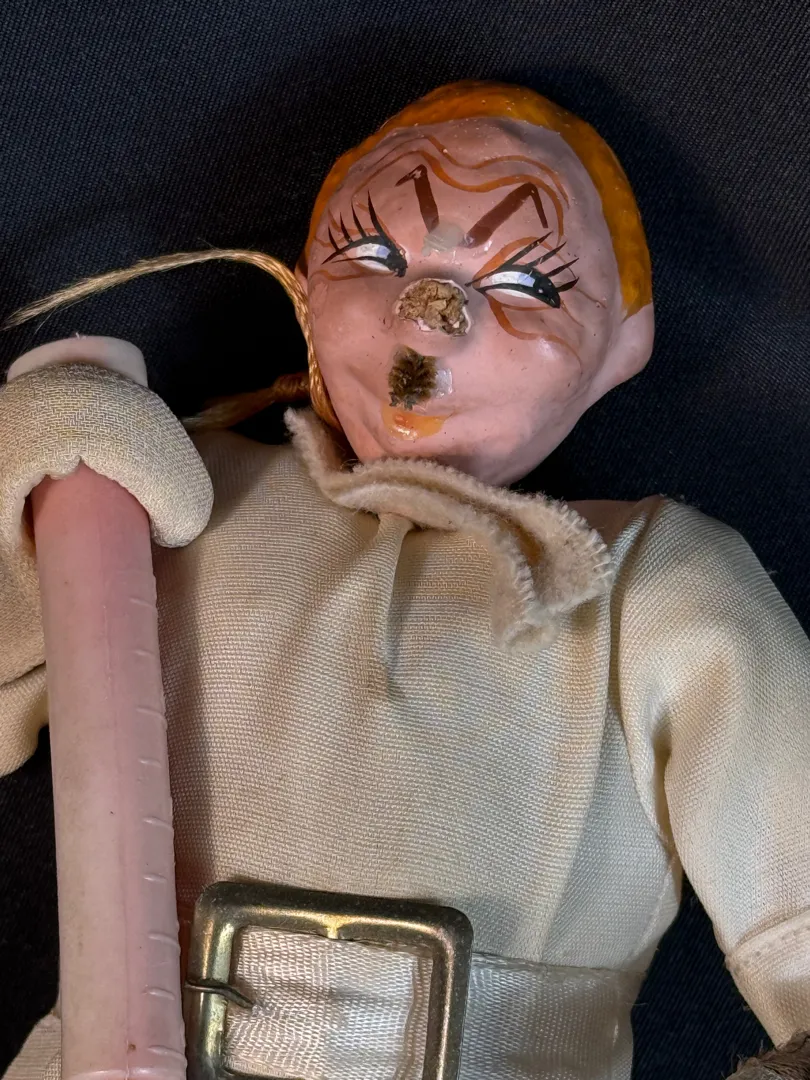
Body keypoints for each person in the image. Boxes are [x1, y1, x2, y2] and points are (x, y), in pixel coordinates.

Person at [2, 81, 808, 1080]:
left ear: (622, 346)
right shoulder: (178, 500)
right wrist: (35, 486)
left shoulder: (660, 589)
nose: (430, 321)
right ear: (307, 289)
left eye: (529, 283)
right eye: (375, 258)